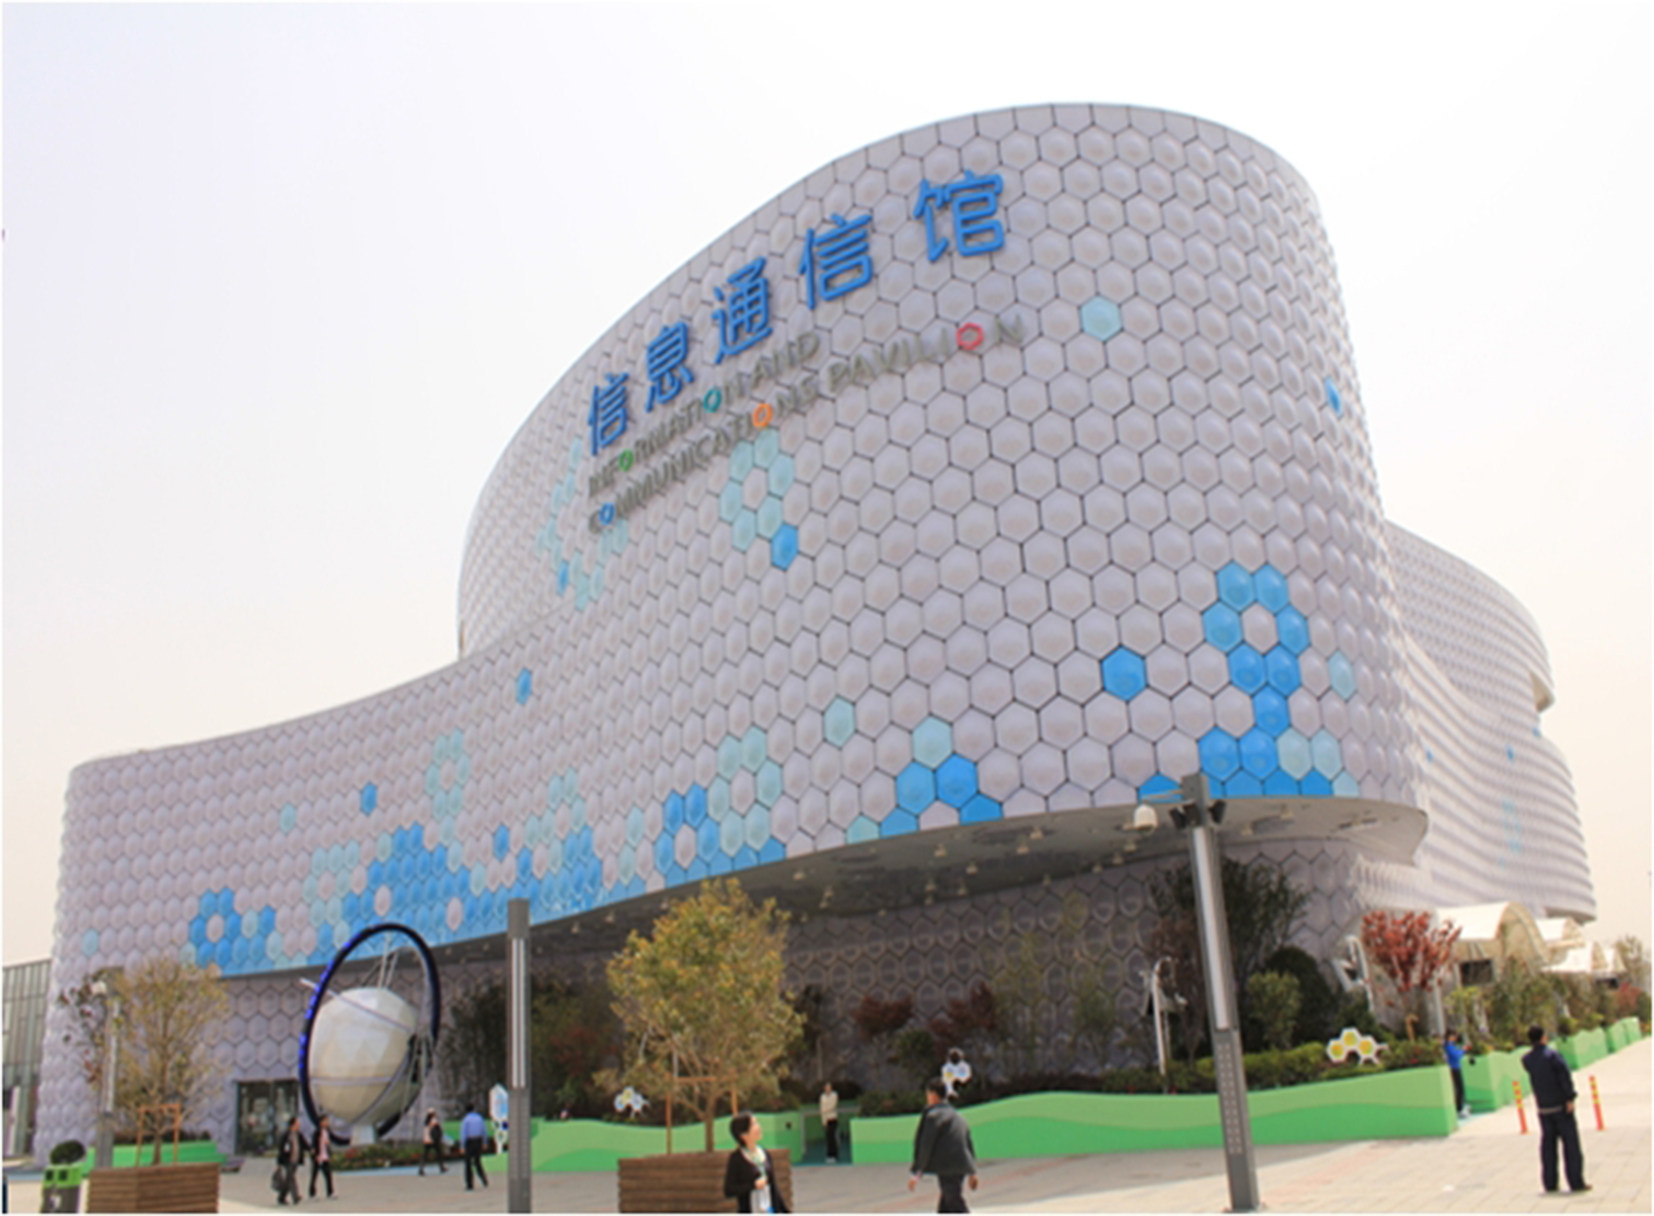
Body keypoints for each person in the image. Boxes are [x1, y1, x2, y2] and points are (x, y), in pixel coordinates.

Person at [1521, 1025, 1589, 1194]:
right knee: (1571, 1146)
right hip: (1560, 1106)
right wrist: (1570, 1097)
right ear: (1544, 1037)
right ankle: (1576, 1181)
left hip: (1543, 1107)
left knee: (1548, 1147)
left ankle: (1550, 1182)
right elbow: (1564, 1077)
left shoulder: (1527, 1059)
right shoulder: (1553, 1056)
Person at [908, 1077, 979, 1213]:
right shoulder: (957, 1115)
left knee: (953, 1202)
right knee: (946, 1204)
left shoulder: (933, 1116)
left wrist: (917, 1172)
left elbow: (925, 1145)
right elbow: (967, 1142)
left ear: (933, 1095)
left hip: (948, 1166)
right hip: (960, 1164)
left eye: (928, 1095)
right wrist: (972, 1171)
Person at [723, 1110, 788, 1213]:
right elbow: (729, 1190)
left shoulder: (764, 1153)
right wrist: (752, 1185)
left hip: (769, 1211)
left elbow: (774, 1188)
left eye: (757, 1123)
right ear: (743, 1134)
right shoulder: (736, 1158)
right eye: (754, 1124)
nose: (758, 1127)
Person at [275, 1115, 305, 1206]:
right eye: (297, 1123)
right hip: (288, 1161)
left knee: (288, 1180)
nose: (299, 1124)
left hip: (296, 1160)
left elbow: (304, 1145)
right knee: (291, 1178)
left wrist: (312, 1150)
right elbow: (282, 1149)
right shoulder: (286, 1135)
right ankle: (295, 1197)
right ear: (293, 1124)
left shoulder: (298, 1135)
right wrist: (279, 1162)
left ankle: (281, 1197)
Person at [460, 1102, 489, 1190]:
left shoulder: (466, 1120)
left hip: (470, 1141)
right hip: (478, 1140)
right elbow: (484, 1130)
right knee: (477, 1161)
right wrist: (485, 1142)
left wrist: (462, 1146)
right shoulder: (479, 1118)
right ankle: (483, 1179)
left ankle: (470, 1184)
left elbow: (463, 1133)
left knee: (468, 1163)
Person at [308, 1114, 335, 1200]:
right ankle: (312, 1193)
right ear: (321, 1122)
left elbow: (327, 1144)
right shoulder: (317, 1132)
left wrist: (329, 1152)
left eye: (327, 1121)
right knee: (314, 1175)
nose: (327, 1122)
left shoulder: (327, 1131)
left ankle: (330, 1193)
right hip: (318, 1157)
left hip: (325, 1156)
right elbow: (314, 1145)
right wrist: (315, 1155)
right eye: (325, 1121)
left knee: (328, 1175)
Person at [1443, 1030, 1469, 1118]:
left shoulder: (1452, 1045)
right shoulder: (1448, 1046)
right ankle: (1459, 1109)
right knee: (1458, 1089)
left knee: (1461, 1088)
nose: (1455, 1038)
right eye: (1454, 1036)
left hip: (1457, 1067)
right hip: (1453, 1068)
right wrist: (1463, 1051)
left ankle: (1461, 1106)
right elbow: (1456, 1055)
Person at [419, 1109, 447, 1175]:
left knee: (425, 1155)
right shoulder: (434, 1120)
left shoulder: (426, 1121)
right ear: (433, 1114)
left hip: (427, 1140)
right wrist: (439, 1138)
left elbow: (426, 1131)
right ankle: (442, 1167)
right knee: (439, 1154)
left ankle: (421, 1169)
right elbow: (439, 1129)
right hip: (433, 1140)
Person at [819, 1081, 840, 1163]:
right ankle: (829, 1155)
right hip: (826, 1119)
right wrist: (823, 1120)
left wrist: (825, 1110)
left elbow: (833, 1105)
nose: (828, 1089)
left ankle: (834, 1155)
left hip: (833, 1118)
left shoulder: (834, 1095)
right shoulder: (822, 1097)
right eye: (826, 1087)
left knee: (832, 1137)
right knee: (828, 1137)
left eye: (829, 1087)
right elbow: (821, 1107)